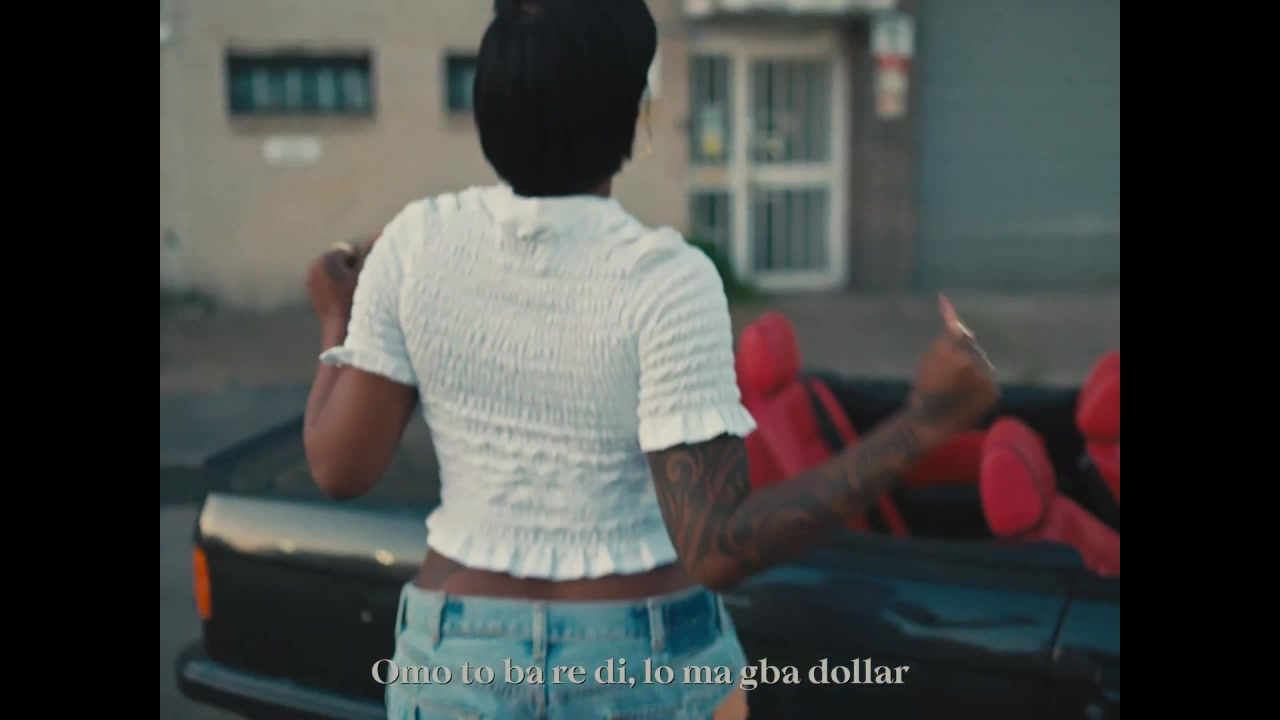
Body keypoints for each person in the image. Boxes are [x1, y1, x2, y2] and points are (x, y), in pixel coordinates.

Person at [302, 0, 1000, 718]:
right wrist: (926, 421)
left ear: (488, 104)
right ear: (634, 114)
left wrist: (337, 316)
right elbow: (716, 546)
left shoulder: (414, 244)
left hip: (456, 659)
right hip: (639, 662)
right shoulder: (665, 279)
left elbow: (339, 468)